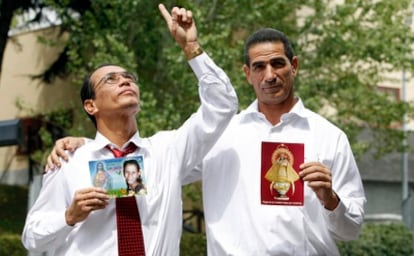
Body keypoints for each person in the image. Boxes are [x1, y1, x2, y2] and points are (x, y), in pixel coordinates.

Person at [45, 28, 366, 255]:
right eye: (259, 66)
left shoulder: (329, 136)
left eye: (278, 64)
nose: (270, 75)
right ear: (247, 73)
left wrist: (330, 198)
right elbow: (142, 169)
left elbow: (350, 230)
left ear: (293, 67)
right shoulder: (219, 137)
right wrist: (88, 146)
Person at [21, 3, 238, 256]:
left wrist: (191, 47)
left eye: (129, 77)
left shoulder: (168, 151)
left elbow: (223, 105)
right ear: (90, 105)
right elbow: (32, 239)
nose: (125, 80)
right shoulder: (70, 161)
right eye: (110, 79)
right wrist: (69, 215)